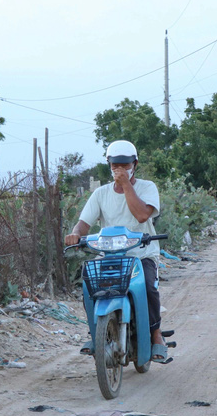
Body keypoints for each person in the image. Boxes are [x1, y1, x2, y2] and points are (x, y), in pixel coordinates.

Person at [64, 140, 169, 363]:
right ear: (108, 164)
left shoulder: (147, 187)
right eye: (115, 165)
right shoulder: (101, 194)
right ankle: (96, 333)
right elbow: (84, 223)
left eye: (125, 165)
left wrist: (127, 186)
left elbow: (142, 215)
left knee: (149, 287)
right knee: (88, 285)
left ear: (135, 164)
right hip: (109, 254)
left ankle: (156, 335)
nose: (120, 170)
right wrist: (75, 233)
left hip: (141, 253)